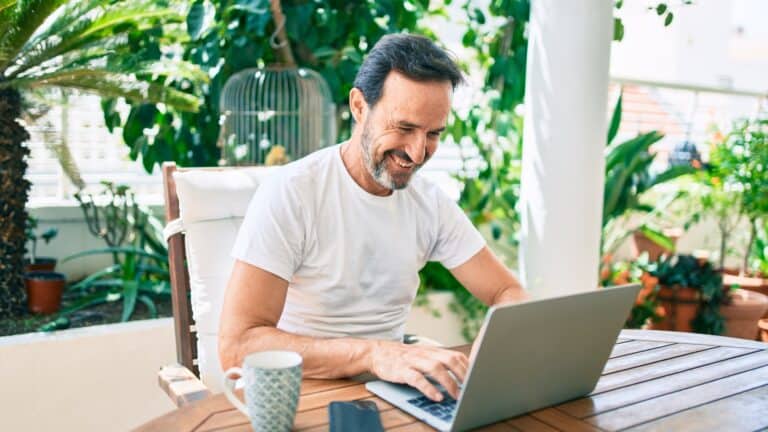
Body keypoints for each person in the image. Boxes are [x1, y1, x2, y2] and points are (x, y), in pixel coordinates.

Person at [219, 33, 526, 402]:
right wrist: (375, 353)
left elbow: (508, 292)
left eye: (433, 134)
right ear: (359, 107)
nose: (416, 152)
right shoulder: (294, 193)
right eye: (404, 128)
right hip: (303, 395)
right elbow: (238, 345)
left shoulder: (430, 204)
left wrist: (482, 368)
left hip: (392, 396)